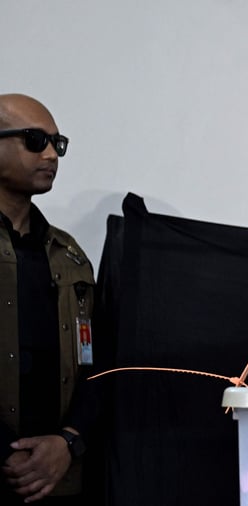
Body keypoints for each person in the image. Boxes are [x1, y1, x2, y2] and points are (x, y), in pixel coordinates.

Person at [0, 94, 99, 504]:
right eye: (34, 140)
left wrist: (68, 441)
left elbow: (97, 362)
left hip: (58, 482)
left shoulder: (69, 255)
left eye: (57, 144)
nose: (51, 155)